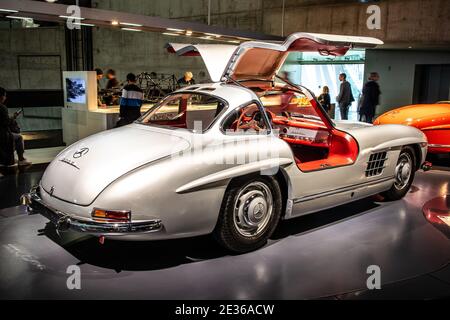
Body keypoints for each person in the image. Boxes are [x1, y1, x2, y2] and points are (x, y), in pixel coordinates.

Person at [0, 87, 31, 166]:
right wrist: (13, 117)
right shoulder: (2, 107)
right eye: (5, 96)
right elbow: (6, 122)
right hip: (2, 135)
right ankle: (21, 159)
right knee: (19, 137)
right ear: (1, 96)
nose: (5, 98)